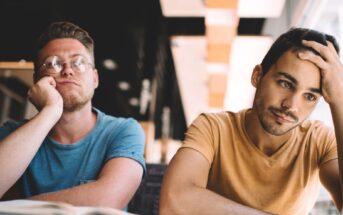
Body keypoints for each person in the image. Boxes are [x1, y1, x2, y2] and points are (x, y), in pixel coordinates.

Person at [159, 27, 343, 215]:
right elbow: (173, 201)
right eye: (285, 83)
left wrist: (339, 98)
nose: (292, 105)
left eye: (310, 96)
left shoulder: (320, 141)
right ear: (257, 76)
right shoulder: (213, 128)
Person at [0, 21, 146, 209]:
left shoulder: (124, 130)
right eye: (53, 63)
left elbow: (107, 200)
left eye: (79, 63)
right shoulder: (13, 132)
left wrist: (13, 206)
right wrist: (51, 110)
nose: (68, 70)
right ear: (37, 80)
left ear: (95, 79)